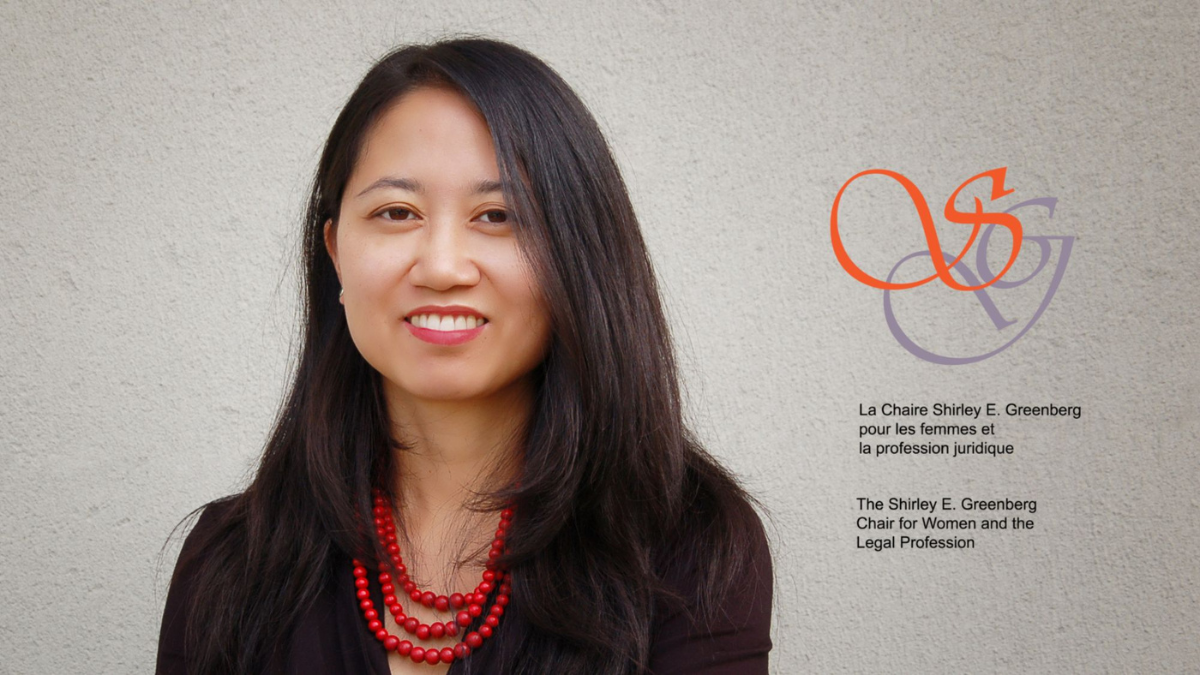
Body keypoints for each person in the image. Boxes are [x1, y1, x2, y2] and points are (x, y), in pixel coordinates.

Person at [156, 36, 773, 675]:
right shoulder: (228, 561)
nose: (443, 267)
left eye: (499, 216)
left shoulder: (689, 547)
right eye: (397, 212)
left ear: (577, 253)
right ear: (337, 252)